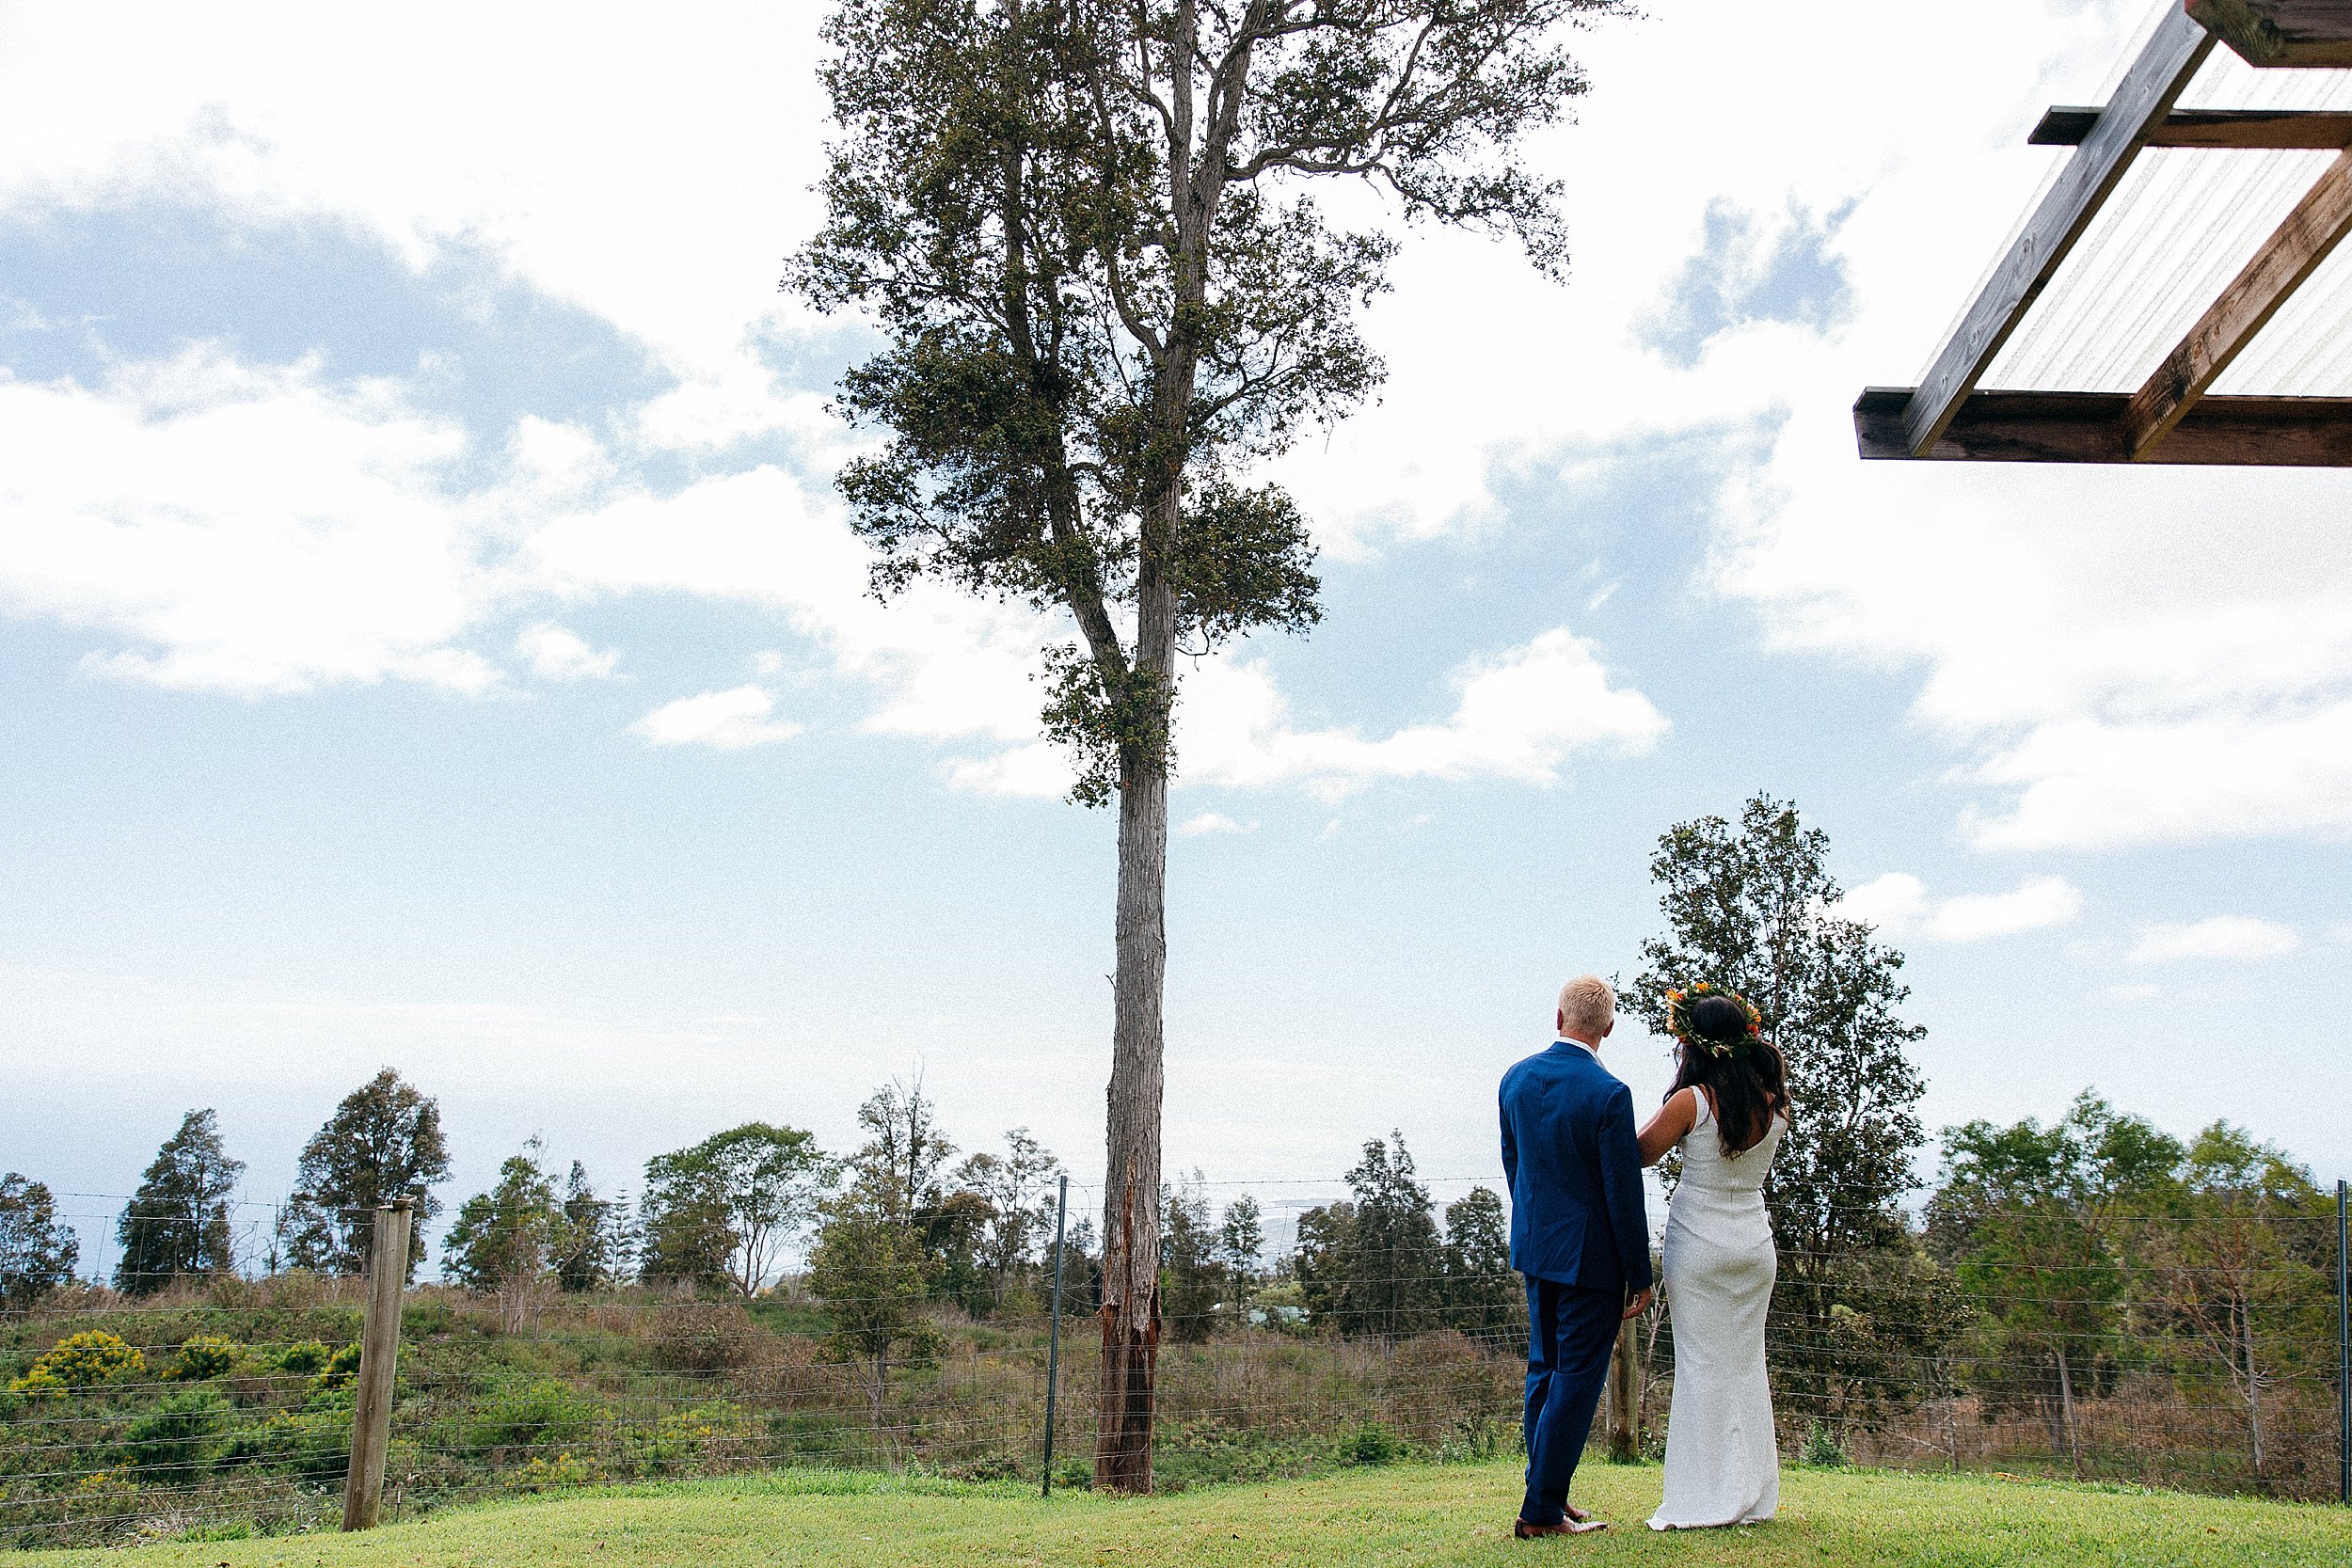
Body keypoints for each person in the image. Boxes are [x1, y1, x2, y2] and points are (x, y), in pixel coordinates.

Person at [1499, 974, 1653, 1538]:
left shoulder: (1514, 1079)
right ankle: (1540, 1511)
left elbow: (1514, 1165)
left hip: (1538, 1250)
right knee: (1576, 1380)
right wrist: (1640, 1272)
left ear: (1558, 1018)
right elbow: (1622, 1193)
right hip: (1592, 1262)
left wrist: (1538, 1226)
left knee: (1544, 1370)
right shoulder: (1610, 1094)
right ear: (1608, 1028)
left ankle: (1547, 1494)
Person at [1634, 983, 1789, 1530]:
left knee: (1700, 1367)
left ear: (1692, 1043)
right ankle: (1751, 1495)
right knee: (1747, 1365)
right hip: (1752, 1243)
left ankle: (1703, 1497)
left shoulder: (1691, 1101)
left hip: (1700, 1242)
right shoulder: (1774, 1102)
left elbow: (1639, 1152)